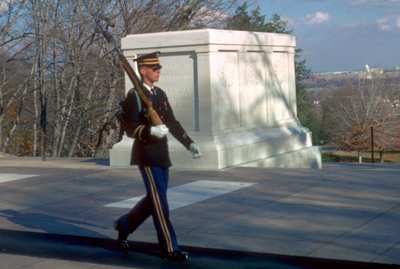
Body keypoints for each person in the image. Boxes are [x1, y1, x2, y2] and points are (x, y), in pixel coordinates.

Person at [114, 52, 201, 263]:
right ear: (143, 71)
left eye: (159, 68)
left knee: (154, 200)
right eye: (154, 69)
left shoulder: (159, 94)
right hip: (146, 155)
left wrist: (188, 142)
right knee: (161, 204)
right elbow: (129, 128)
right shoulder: (134, 95)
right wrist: (150, 131)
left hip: (162, 154)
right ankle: (170, 248)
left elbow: (171, 121)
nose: (158, 71)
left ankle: (125, 225)